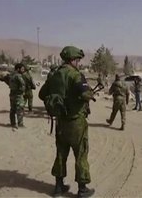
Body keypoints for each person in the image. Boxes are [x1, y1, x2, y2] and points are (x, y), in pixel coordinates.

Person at [39, 46, 95, 197]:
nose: (78, 63)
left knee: (61, 153)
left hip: (60, 122)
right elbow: (85, 94)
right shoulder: (75, 75)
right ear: (72, 60)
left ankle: (58, 187)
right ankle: (82, 190)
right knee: (81, 154)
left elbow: (42, 94)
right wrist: (89, 93)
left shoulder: (55, 75)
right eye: (77, 60)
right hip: (76, 122)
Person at [8, 63, 25, 129]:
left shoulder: (11, 75)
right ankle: (20, 124)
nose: (23, 70)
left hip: (12, 94)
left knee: (12, 109)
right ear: (18, 69)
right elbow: (22, 85)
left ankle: (12, 123)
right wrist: (22, 91)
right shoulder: (18, 76)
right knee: (20, 109)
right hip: (18, 95)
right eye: (22, 69)